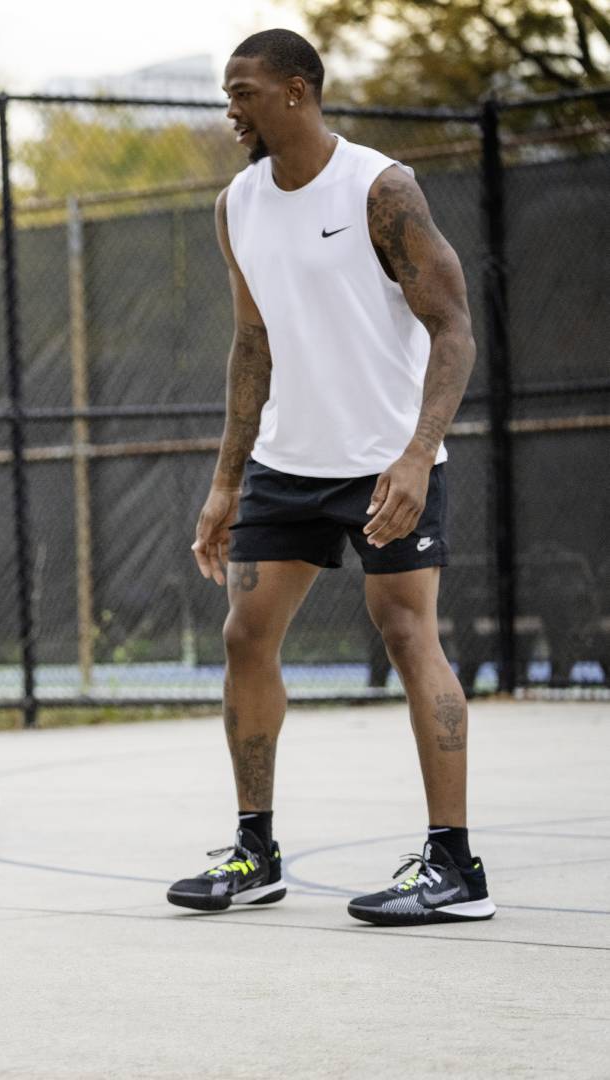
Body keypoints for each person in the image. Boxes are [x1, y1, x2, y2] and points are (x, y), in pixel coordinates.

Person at [169, 29, 493, 926]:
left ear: (298, 92)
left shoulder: (379, 188)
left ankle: (455, 867)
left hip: (386, 461)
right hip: (286, 462)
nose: (230, 107)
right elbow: (252, 341)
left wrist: (418, 453)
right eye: (227, 91)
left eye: (244, 90)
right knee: (245, 635)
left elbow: (454, 326)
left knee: (405, 633)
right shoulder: (237, 203)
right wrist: (227, 481)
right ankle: (255, 851)